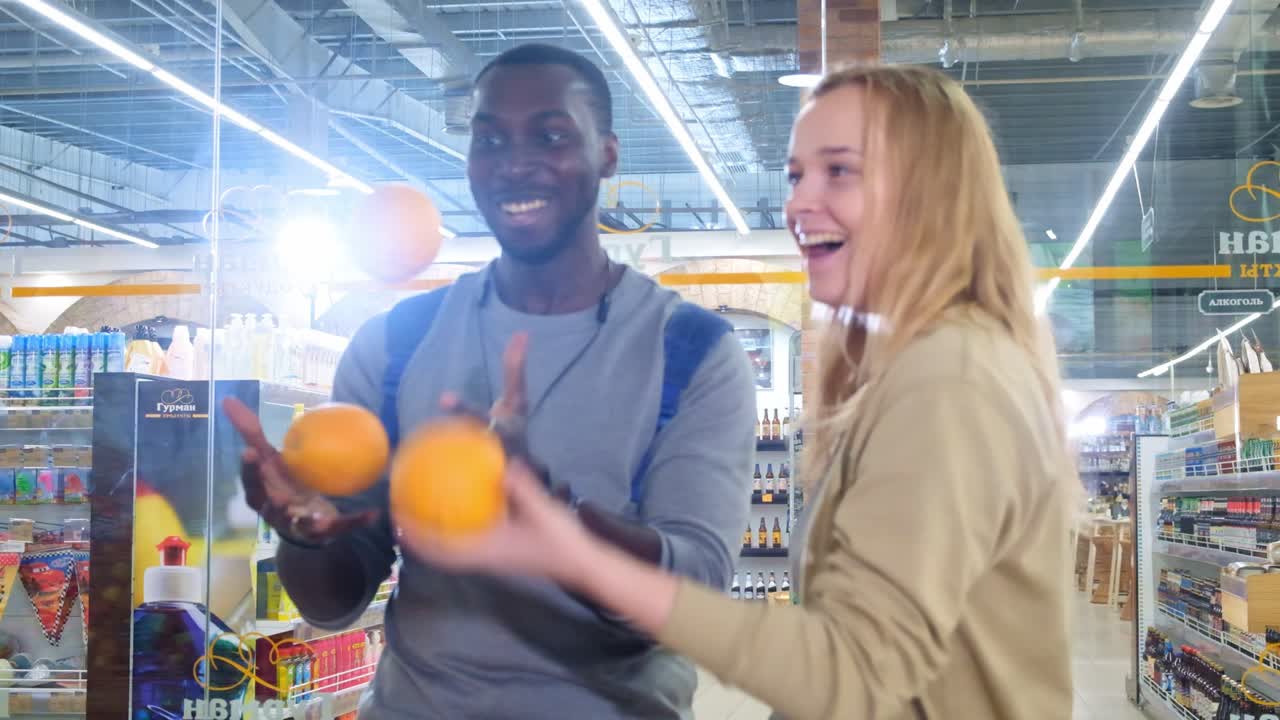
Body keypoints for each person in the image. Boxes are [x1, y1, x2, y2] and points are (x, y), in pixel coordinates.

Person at [397, 64, 1077, 720]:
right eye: (796, 174)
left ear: (932, 192)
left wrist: (583, 559)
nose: (799, 203)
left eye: (839, 171)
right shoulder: (919, 369)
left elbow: (852, 676)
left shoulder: (950, 379)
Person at [223, 43, 757, 719]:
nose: (514, 162)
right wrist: (303, 533)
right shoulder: (395, 344)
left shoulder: (690, 352)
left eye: (552, 134)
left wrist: (558, 524)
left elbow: (697, 598)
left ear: (609, 153)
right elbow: (332, 603)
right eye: (490, 139)